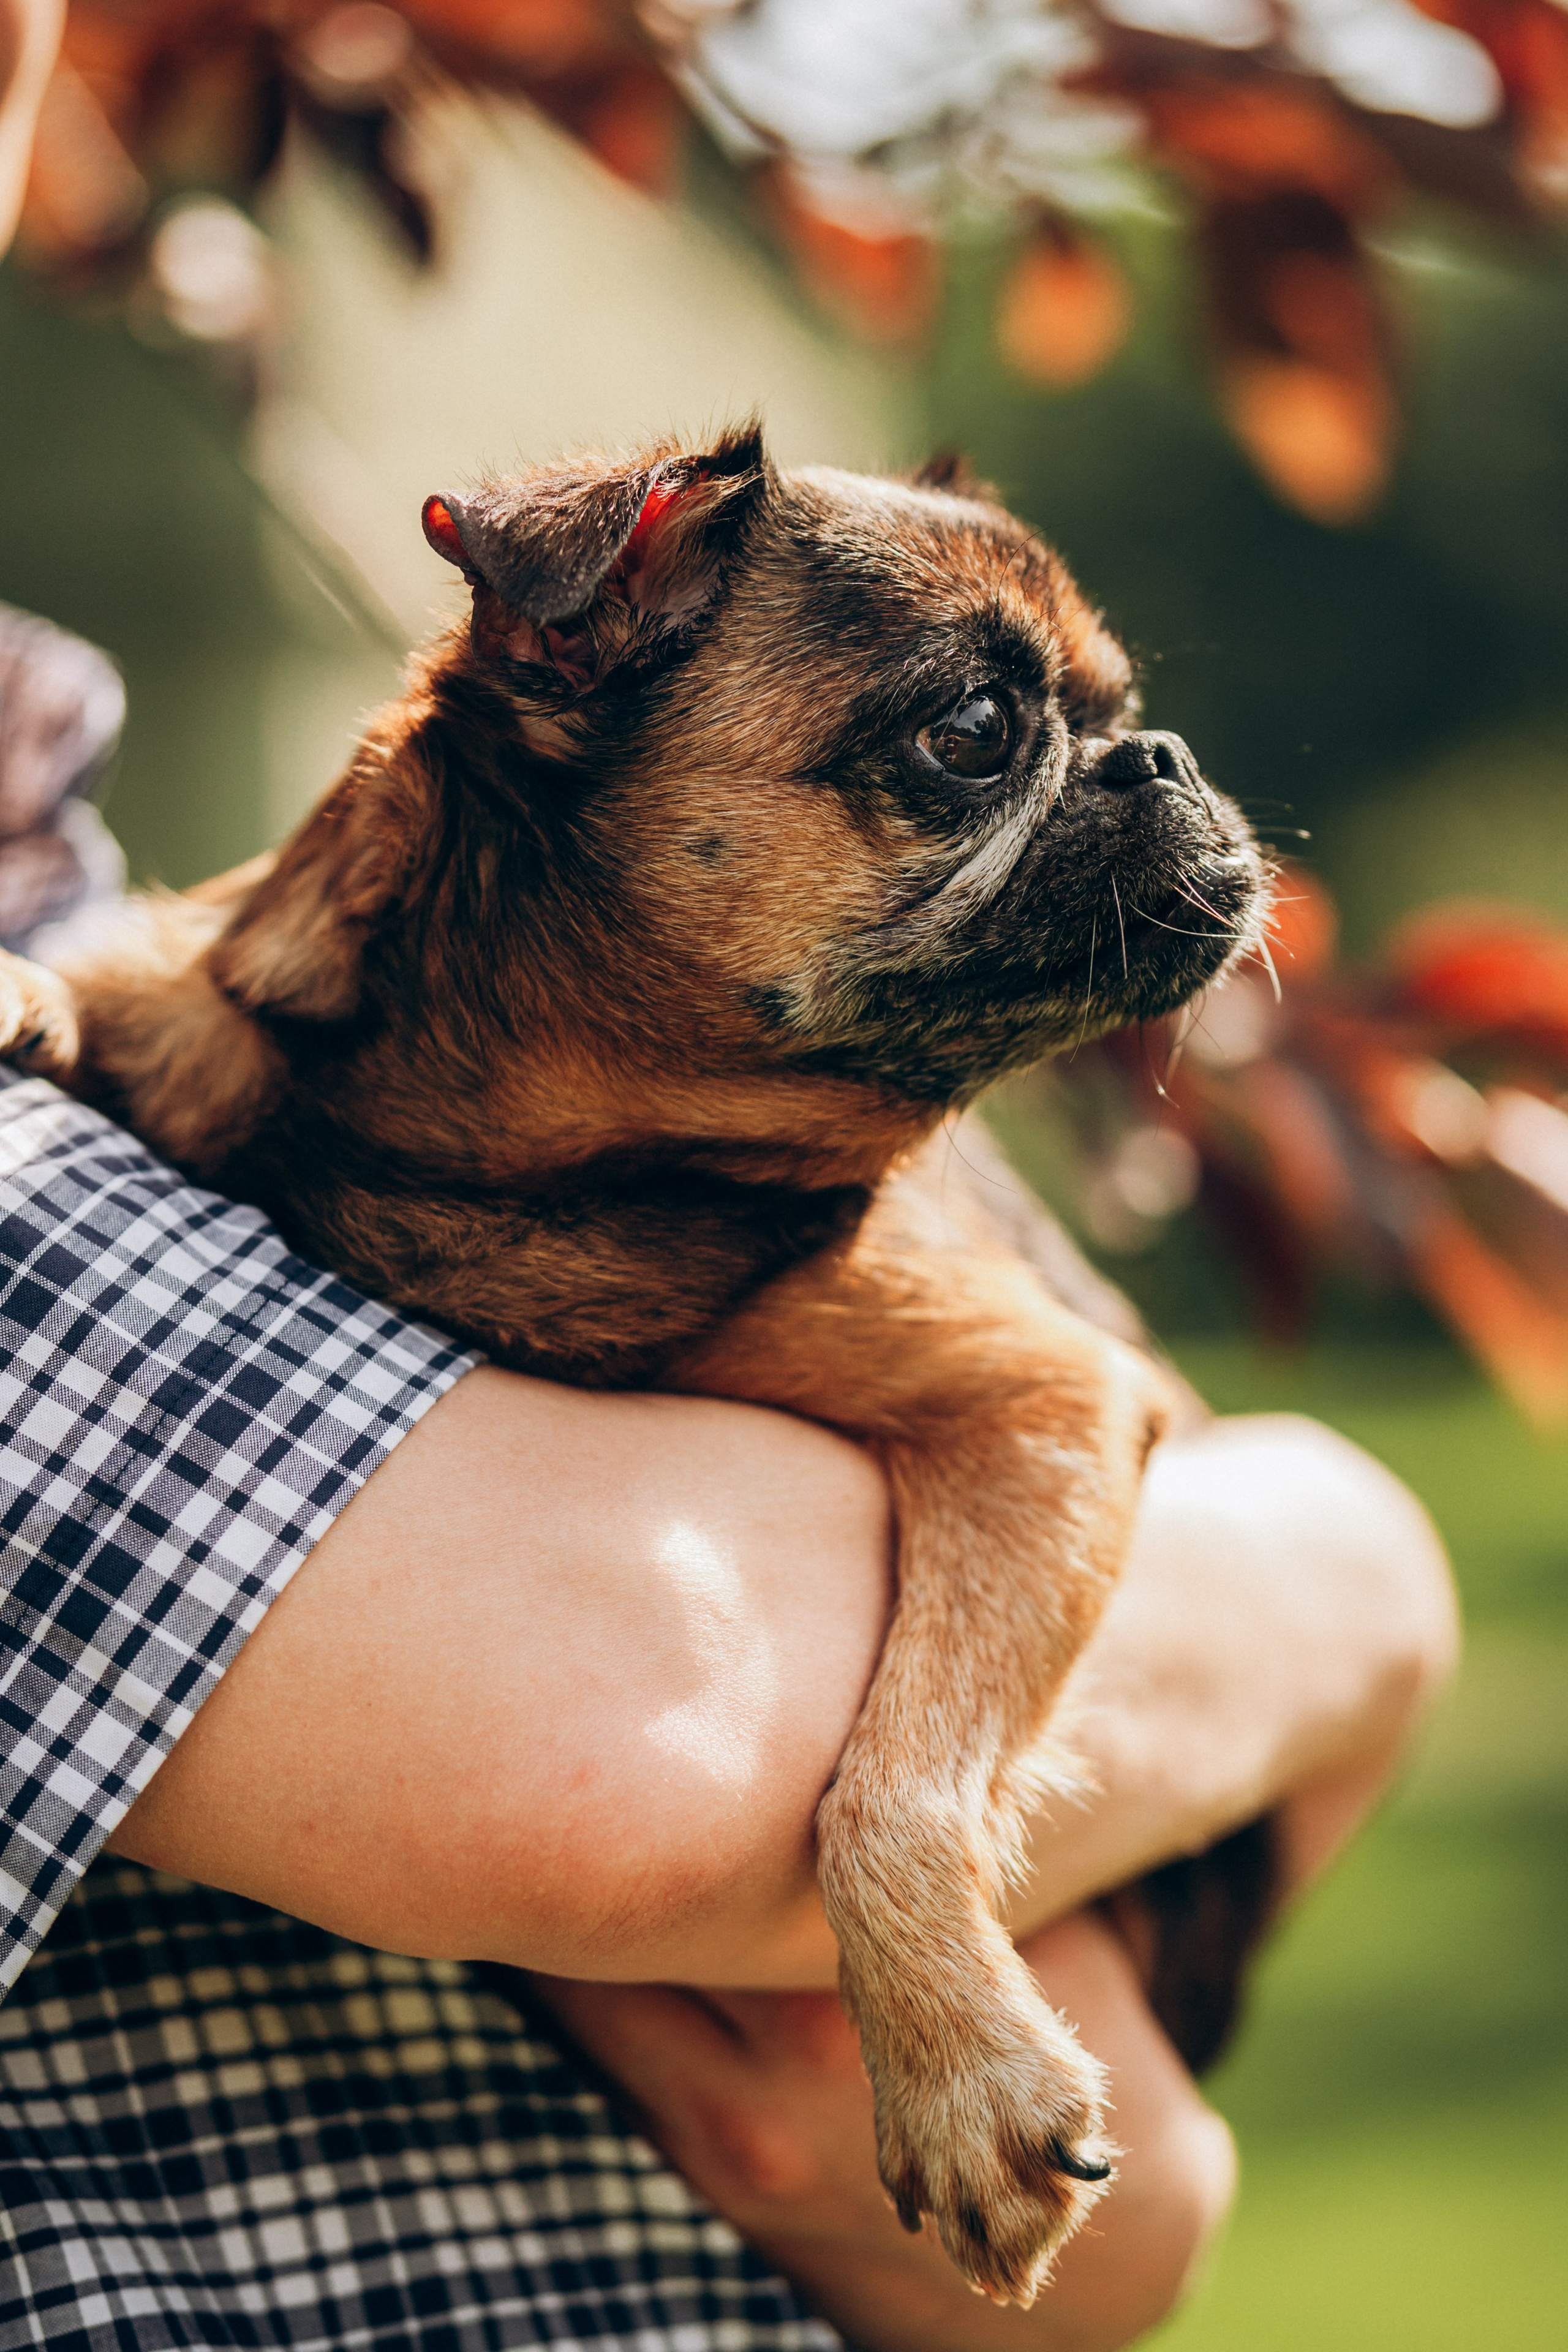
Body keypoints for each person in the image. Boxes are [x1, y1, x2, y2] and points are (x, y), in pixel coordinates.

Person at [0, 9, 1458, 2347]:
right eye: (970, 742)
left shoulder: (789, 1203)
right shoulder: (157, 1032)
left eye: (1090, 728)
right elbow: (634, 1780)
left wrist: (910, 1858)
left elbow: (1057, 1414)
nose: (1114, 784)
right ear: (575, 652)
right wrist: (1346, 1583)